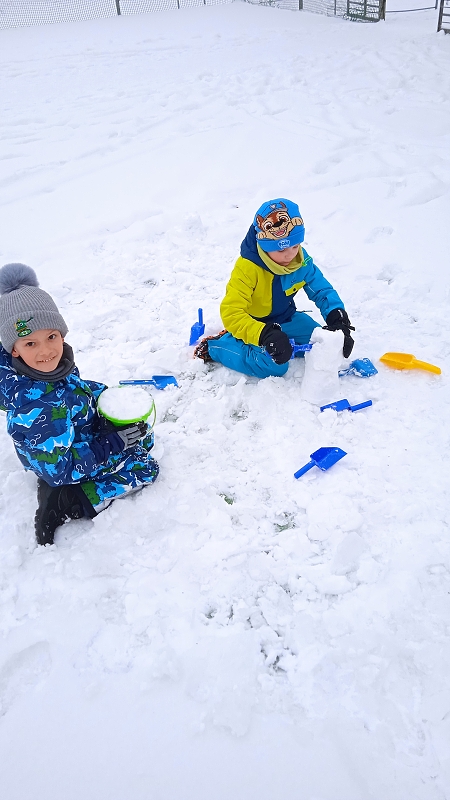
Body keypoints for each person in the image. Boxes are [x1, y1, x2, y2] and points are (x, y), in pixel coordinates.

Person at [0, 263, 159, 546]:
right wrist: (113, 444)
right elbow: (61, 467)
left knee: (143, 437)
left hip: (72, 432)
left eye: (51, 337)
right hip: (59, 462)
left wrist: (105, 397)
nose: (46, 350)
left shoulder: (50, 367)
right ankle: (67, 500)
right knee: (144, 467)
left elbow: (74, 391)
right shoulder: (39, 406)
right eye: (31, 344)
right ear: (14, 348)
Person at [195, 198, 354, 378]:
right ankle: (219, 346)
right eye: (280, 250)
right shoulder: (247, 268)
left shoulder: (299, 260)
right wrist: (263, 335)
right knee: (274, 365)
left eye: (295, 246)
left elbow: (321, 289)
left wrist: (337, 316)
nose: (290, 255)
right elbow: (231, 312)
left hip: (286, 318)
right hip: (254, 324)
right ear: (264, 245)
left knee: (321, 341)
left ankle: (280, 337)